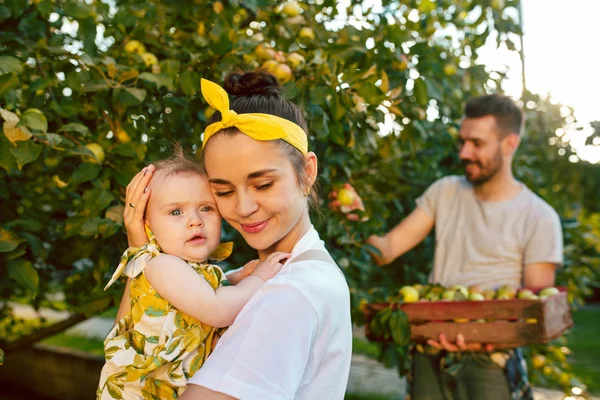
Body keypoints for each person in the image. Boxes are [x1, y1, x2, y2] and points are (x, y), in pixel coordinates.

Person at [122, 70, 353, 400]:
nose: (243, 208)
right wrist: (140, 254)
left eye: (263, 185)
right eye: (224, 191)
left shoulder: (289, 293)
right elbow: (130, 343)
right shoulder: (297, 274)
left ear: (308, 172)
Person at [367, 94, 563, 400]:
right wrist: (353, 220)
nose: (464, 152)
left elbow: (533, 310)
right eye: (462, 142)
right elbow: (387, 249)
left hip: (490, 360)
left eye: (477, 143)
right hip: (430, 349)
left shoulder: (539, 217)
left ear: (509, 144)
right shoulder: (445, 191)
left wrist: (475, 337)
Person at [97, 148, 287, 400]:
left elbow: (195, 296)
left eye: (206, 208)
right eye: (176, 212)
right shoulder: (161, 265)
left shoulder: (185, 271)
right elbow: (217, 309)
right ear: (148, 224)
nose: (195, 220)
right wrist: (258, 279)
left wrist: (232, 279)